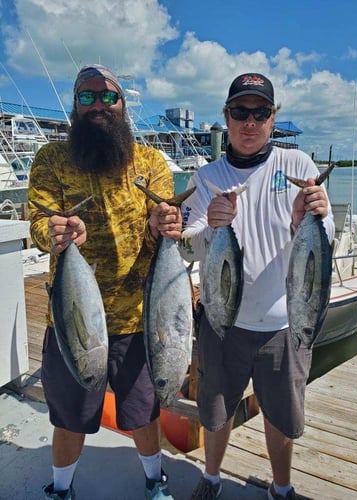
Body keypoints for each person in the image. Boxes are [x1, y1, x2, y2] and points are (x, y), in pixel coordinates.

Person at [28, 64, 182, 500]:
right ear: (75, 106)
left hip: (138, 316)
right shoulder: (50, 159)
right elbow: (37, 222)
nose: (98, 104)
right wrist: (54, 232)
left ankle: (155, 481)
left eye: (108, 96)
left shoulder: (150, 160)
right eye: (87, 97)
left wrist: (164, 222)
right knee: (69, 417)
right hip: (73, 318)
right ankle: (61, 488)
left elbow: (166, 220)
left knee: (143, 413)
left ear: (123, 104)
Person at [180, 73, 335, 500]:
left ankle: (281, 488)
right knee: (215, 411)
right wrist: (209, 228)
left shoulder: (299, 166)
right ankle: (211, 479)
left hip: (284, 323)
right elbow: (188, 249)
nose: (250, 122)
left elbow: (325, 239)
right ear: (226, 117)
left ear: (273, 117)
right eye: (240, 112)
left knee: (281, 417)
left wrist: (316, 215)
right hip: (220, 321)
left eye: (260, 112)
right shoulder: (206, 174)